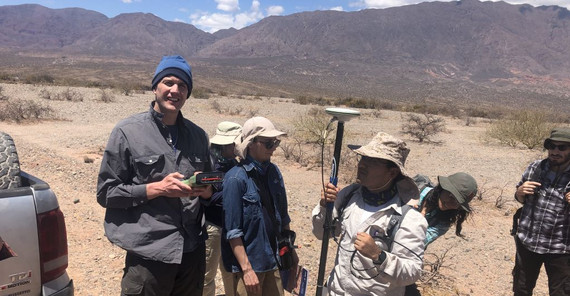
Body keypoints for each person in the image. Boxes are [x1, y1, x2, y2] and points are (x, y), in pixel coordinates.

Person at [97, 55, 213, 296]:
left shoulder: (198, 136)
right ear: (155, 86)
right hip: (149, 253)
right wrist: (158, 188)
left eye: (182, 86)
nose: (175, 90)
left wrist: (206, 190)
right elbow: (106, 193)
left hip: (191, 251)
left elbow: (210, 189)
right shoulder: (127, 132)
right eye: (168, 82)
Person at [312, 132, 428, 296]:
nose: (362, 165)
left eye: (372, 161)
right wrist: (324, 207)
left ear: (392, 173)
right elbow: (320, 233)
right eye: (363, 158)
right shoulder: (348, 196)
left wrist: (378, 256)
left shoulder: (408, 218)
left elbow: (413, 271)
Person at [221, 116, 298, 296]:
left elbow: (283, 215)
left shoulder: (273, 172)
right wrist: (247, 270)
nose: (273, 149)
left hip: (273, 259)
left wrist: (291, 250)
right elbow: (233, 231)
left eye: (275, 143)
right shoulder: (235, 179)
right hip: (250, 266)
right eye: (268, 143)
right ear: (251, 143)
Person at [512, 127, 570, 296]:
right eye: (551, 146)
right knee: (521, 290)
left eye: (562, 147)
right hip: (528, 241)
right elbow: (520, 198)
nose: (555, 151)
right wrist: (519, 192)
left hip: (561, 248)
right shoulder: (535, 167)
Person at [203, 121, 242, 296]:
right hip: (213, 227)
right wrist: (233, 189)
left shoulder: (232, 163)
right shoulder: (211, 165)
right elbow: (209, 198)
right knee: (207, 275)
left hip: (229, 226)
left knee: (230, 271)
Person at [413, 172, 478, 247]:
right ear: (442, 188)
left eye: (457, 203)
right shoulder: (413, 194)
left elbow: (418, 243)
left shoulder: (444, 222)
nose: (451, 203)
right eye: (451, 197)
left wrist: (419, 222)